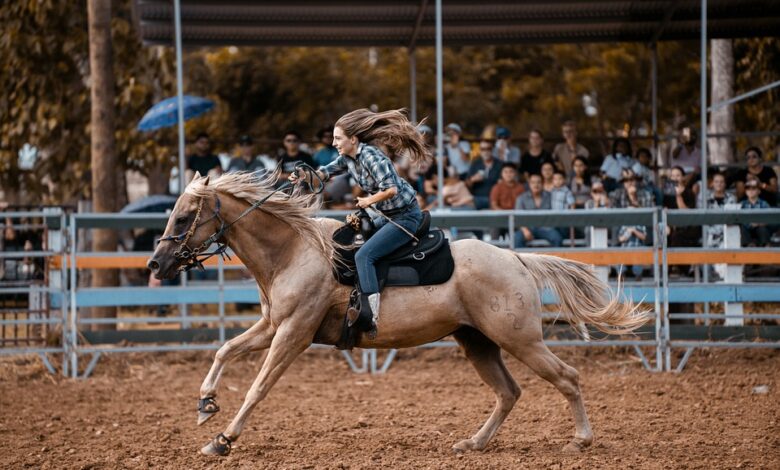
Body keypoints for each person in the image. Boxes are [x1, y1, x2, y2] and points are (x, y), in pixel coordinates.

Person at [289, 108, 429, 335]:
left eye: (338, 138)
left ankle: (370, 316)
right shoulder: (348, 158)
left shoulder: (372, 157)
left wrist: (368, 200)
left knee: (365, 255)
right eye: (334, 138)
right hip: (385, 216)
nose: (334, 143)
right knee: (349, 243)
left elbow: (391, 189)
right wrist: (304, 176)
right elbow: (324, 173)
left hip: (405, 217)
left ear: (353, 139)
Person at [514, 174, 563, 248]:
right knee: (516, 239)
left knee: (557, 238)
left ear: (543, 183)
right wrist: (525, 230)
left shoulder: (550, 196)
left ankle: (551, 259)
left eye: (538, 182)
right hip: (528, 228)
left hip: (546, 228)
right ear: (529, 184)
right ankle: (524, 260)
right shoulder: (521, 198)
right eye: (533, 182)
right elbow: (518, 218)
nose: (536, 185)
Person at [705, 172, 738, 280]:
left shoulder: (731, 198)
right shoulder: (705, 199)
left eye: (721, 182)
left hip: (726, 234)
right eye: (716, 181)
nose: (719, 184)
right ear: (712, 184)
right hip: (709, 235)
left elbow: (731, 218)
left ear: (725, 184)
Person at [465, 139, 502, 210]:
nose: (486, 151)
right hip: (477, 198)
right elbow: (467, 184)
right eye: (483, 149)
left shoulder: (499, 164)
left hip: (494, 199)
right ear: (480, 150)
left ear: (493, 149)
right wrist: (472, 179)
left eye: (488, 148)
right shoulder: (475, 164)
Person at [740, 179, 772, 247]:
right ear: (745, 192)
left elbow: (769, 218)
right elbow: (739, 218)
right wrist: (750, 224)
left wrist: (758, 223)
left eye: (753, 188)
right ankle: (749, 246)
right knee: (743, 228)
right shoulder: (742, 204)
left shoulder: (764, 204)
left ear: (759, 191)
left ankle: (766, 247)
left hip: (760, 227)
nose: (750, 191)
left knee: (763, 229)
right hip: (747, 228)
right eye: (748, 189)